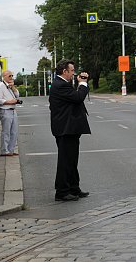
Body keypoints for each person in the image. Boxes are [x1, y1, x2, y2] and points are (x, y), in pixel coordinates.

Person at [49, 60, 91, 202]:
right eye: (72, 71)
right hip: (65, 129)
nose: (74, 73)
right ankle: (62, 191)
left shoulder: (63, 84)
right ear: (64, 71)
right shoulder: (60, 85)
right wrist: (83, 84)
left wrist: (81, 83)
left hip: (69, 128)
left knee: (72, 160)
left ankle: (74, 188)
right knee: (65, 161)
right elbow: (78, 97)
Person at [0, 71, 21, 156]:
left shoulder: (10, 86)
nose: (11, 77)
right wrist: (8, 102)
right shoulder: (0, 86)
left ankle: (11, 149)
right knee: (6, 131)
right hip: (5, 109)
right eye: (10, 76)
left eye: (12, 75)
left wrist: (13, 87)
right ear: (4, 76)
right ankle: (4, 150)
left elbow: (17, 95)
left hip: (13, 110)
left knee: (14, 131)